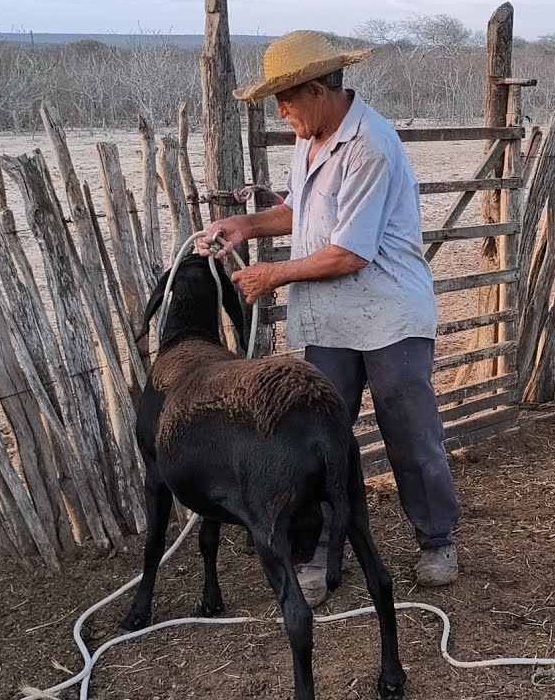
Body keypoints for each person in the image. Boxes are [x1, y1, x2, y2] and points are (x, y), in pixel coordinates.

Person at [196, 30, 462, 607]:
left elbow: (351, 252)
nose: (281, 112)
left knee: (407, 427)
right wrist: (244, 227)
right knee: (317, 437)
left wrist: (273, 276)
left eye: (284, 101)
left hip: (389, 312)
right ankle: (318, 550)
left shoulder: (370, 144)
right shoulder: (311, 138)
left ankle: (436, 538)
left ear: (316, 90)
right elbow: (298, 211)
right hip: (331, 318)